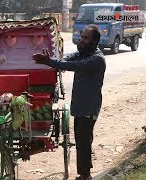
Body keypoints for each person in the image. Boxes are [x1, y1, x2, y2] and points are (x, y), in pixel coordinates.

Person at [33, 24, 106, 180]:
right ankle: (85, 171)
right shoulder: (84, 54)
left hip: (89, 107)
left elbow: (74, 65)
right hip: (80, 106)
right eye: (82, 37)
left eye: (86, 38)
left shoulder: (96, 59)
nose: (81, 40)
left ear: (94, 41)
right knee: (81, 140)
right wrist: (56, 61)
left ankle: (85, 174)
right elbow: (68, 59)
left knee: (84, 141)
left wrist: (51, 63)